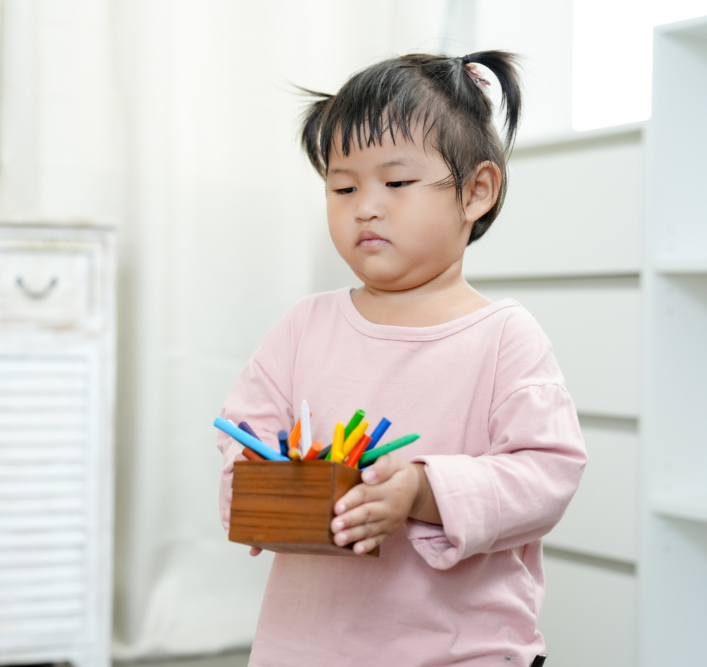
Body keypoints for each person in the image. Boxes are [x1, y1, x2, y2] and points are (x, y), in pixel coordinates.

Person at [215, 51, 587, 667]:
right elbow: (243, 439)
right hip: (305, 648)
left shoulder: (504, 338)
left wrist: (421, 489)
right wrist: (262, 483)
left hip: (461, 652)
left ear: (476, 192)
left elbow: (548, 475)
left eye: (395, 183)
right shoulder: (303, 327)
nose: (365, 205)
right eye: (343, 187)